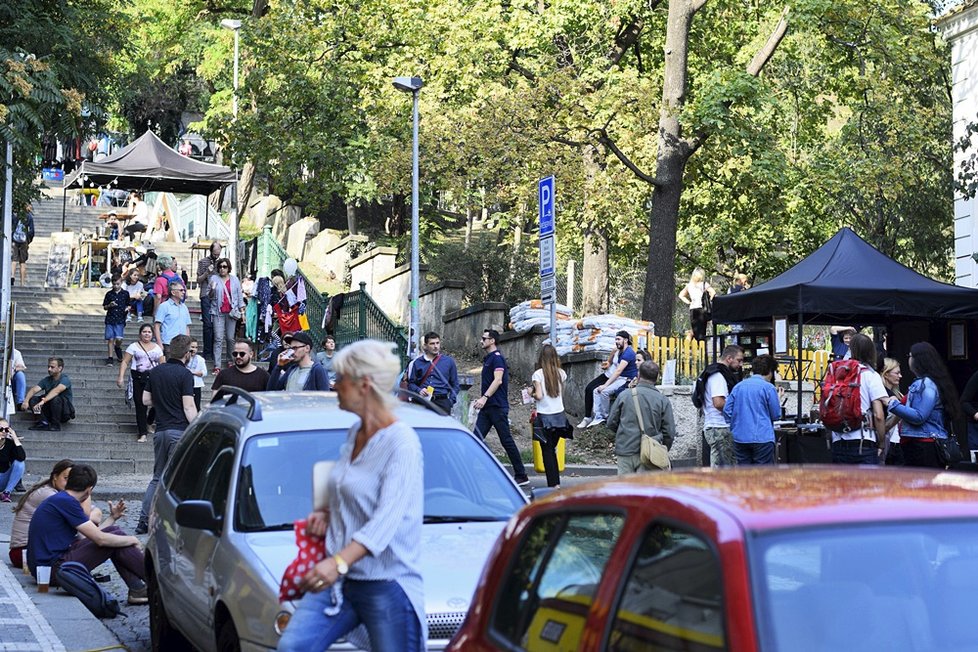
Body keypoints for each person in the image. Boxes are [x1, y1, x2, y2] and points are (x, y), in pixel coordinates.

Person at [276, 340, 426, 652]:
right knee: (292, 647)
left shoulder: (402, 443)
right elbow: (345, 482)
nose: (334, 384)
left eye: (341, 378)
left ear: (364, 385)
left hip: (386, 583)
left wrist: (337, 564)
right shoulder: (355, 432)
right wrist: (326, 512)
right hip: (342, 581)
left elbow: (385, 522)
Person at [27, 464, 148, 605]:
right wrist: (132, 539)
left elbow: (90, 536)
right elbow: (100, 539)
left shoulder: (62, 499)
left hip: (50, 566)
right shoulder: (66, 502)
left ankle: (137, 589)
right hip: (52, 571)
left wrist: (112, 518)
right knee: (115, 539)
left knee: (114, 534)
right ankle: (156, 580)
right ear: (89, 489)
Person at [136, 334, 198, 534]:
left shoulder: (156, 372)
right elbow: (188, 407)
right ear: (187, 354)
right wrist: (199, 428)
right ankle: (172, 523)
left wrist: (163, 401)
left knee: (157, 478)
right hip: (178, 431)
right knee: (176, 479)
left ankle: (143, 520)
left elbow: (145, 400)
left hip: (160, 431)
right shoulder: (185, 375)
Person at [888, 341, 965, 469]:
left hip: (922, 444)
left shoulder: (925, 384)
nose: (909, 359)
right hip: (924, 443)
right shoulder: (930, 382)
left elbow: (919, 416)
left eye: (910, 356)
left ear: (918, 360)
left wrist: (893, 404)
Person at [472, 329, 529, 487]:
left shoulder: (497, 359)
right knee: (475, 439)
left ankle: (521, 474)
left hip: (496, 407)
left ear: (492, 341)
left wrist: (485, 397)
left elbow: (498, 381)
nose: (481, 341)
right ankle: (469, 472)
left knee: (506, 440)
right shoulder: (489, 359)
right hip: (488, 408)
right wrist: (483, 399)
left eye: (484, 338)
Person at [607, 360, 676, 475]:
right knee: (644, 490)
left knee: (626, 490)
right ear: (657, 377)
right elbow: (669, 432)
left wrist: (623, 434)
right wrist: (661, 448)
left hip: (626, 449)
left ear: (638, 375)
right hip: (650, 454)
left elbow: (611, 423)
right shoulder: (662, 400)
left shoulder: (624, 395)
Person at [827, 333, 887, 465]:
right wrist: (881, 443)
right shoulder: (871, 375)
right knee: (866, 485)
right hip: (863, 441)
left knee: (841, 485)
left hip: (838, 440)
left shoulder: (837, 373)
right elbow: (878, 415)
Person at [10, 459, 74, 567]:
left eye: (72, 480)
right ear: (55, 476)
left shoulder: (50, 491)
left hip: (26, 550)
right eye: (66, 478)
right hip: (23, 552)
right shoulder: (49, 494)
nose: (69, 484)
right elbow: (79, 518)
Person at [722, 354, 783, 465]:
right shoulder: (768, 388)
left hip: (740, 437)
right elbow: (775, 415)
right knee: (762, 475)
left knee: (744, 474)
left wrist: (735, 425)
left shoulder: (738, 386)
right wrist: (778, 399)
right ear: (770, 370)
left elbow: (727, 410)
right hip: (762, 437)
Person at [576, 331, 638, 429]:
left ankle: (604, 417)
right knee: (595, 390)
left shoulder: (628, 353)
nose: (616, 341)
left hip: (625, 379)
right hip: (615, 376)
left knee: (604, 391)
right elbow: (611, 362)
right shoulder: (618, 350)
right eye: (616, 339)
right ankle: (597, 417)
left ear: (626, 340)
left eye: (618, 339)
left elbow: (618, 371)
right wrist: (608, 364)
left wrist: (605, 385)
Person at [529, 344, 571, 488]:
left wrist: (531, 393)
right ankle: (556, 484)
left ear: (541, 357)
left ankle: (553, 484)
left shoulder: (538, 374)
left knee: (547, 452)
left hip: (544, 418)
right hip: (560, 418)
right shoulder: (561, 373)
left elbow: (539, 395)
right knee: (552, 449)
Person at [117, 323, 163, 443]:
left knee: (158, 403)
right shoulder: (133, 346)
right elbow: (125, 362)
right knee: (140, 405)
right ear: (140, 333)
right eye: (144, 332)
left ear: (152, 334)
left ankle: (149, 422)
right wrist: (121, 377)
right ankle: (142, 433)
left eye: (149, 332)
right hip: (137, 378)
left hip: (153, 379)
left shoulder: (157, 348)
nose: (147, 334)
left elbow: (163, 364)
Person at [701, 345, 744, 467]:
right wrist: (738, 409)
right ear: (729, 358)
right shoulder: (718, 376)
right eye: (739, 360)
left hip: (717, 427)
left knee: (722, 466)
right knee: (724, 468)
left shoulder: (713, 373)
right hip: (719, 426)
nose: (740, 365)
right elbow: (718, 402)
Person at [405, 331, 460, 414]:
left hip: (442, 402)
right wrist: (419, 390)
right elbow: (411, 384)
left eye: (437, 343)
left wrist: (450, 402)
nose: (435, 346)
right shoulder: (418, 363)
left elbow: (455, 385)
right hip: (422, 402)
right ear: (426, 346)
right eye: (432, 344)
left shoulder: (449, 362)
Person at [208, 257, 244, 373]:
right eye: (220, 267)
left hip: (231, 312)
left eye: (225, 267)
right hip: (218, 312)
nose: (222, 269)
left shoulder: (235, 280)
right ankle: (217, 365)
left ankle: (230, 361)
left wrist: (242, 311)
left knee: (230, 338)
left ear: (229, 268)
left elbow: (239, 296)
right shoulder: (214, 278)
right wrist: (212, 289)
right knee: (218, 338)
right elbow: (209, 296)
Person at [22, 358, 75, 431]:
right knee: (33, 399)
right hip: (49, 410)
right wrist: (26, 401)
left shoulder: (65, 379)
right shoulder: (47, 379)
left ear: (60, 368)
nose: (49, 369)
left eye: (52, 367)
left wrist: (43, 402)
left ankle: (55, 425)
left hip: (64, 412)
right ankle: (42, 422)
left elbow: (56, 391)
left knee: (55, 398)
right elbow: (34, 389)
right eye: (48, 367)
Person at [196, 242, 222, 359]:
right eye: (215, 253)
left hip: (218, 295)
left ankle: (214, 351)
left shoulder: (222, 264)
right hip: (205, 294)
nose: (216, 256)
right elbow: (198, 280)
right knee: (207, 324)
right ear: (211, 251)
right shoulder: (203, 262)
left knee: (216, 324)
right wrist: (207, 272)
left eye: (218, 254)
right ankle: (207, 353)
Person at [153, 282, 191, 355]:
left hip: (183, 344)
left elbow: (187, 326)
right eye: (181, 290)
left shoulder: (184, 307)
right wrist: (159, 343)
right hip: (168, 343)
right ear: (173, 292)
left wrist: (188, 343)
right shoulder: (164, 306)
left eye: (184, 290)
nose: (183, 292)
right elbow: (157, 326)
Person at [678, 267, 715, 341]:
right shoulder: (704, 284)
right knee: (702, 330)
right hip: (702, 309)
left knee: (695, 329)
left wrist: (689, 302)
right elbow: (713, 292)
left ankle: (696, 344)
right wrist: (709, 301)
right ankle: (702, 346)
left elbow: (681, 295)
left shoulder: (689, 285)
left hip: (693, 309)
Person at [881, 357, 905, 466]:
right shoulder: (883, 396)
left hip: (898, 442)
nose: (900, 376)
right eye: (897, 373)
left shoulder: (898, 395)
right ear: (886, 374)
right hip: (889, 444)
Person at [102, 273, 129, 366]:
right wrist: (110, 305)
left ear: (121, 283)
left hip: (120, 319)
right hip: (110, 318)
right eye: (114, 284)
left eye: (118, 284)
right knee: (110, 339)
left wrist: (127, 308)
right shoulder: (109, 294)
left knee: (119, 339)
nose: (116, 286)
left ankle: (117, 347)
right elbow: (104, 307)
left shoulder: (125, 293)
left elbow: (129, 304)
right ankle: (110, 357)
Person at [0, 419, 26, 503]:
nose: (4, 431)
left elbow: (22, 457)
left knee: (19, 464)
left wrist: (15, 439)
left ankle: (6, 492)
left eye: (6, 429)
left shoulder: (9, 443)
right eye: (1, 429)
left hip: (3, 479)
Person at [12, 203, 35, 286]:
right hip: (24, 241)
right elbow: (32, 231)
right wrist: (28, 240)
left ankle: (12, 276)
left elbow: (13, 227)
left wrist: (12, 237)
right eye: (30, 205)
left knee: (14, 259)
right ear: (27, 207)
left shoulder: (17, 215)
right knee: (22, 262)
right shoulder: (29, 217)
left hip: (15, 239)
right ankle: (22, 283)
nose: (31, 207)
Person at [186, 338, 208, 411]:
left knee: (196, 404)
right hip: (185, 384)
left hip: (196, 384)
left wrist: (194, 372)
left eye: (196, 347)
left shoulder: (200, 359)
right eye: (192, 347)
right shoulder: (184, 357)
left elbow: (204, 372)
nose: (194, 349)